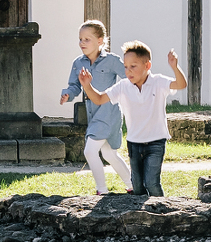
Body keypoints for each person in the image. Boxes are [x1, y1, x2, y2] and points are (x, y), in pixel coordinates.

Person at [80, 41, 186, 196]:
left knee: (152, 182)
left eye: (133, 66)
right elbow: (99, 99)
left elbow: (181, 84)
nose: (128, 71)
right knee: (137, 187)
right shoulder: (123, 86)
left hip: (156, 142)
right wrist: (87, 86)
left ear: (147, 66)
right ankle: (140, 216)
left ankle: (160, 212)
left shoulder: (158, 82)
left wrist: (174, 67)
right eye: (125, 67)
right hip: (134, 143)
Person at [60, 19, 132, 195]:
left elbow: (130, 78)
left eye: (87, 39)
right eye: (80, 39)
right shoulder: (78, 63)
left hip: (109, 112)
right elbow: (75, 85)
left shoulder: (113, 60)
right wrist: (68, 94)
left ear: (100, 41)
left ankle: (102, 190)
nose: (82, 43)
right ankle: (133, 185)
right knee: (109, 154)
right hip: (92, 112)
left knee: (90, 151)